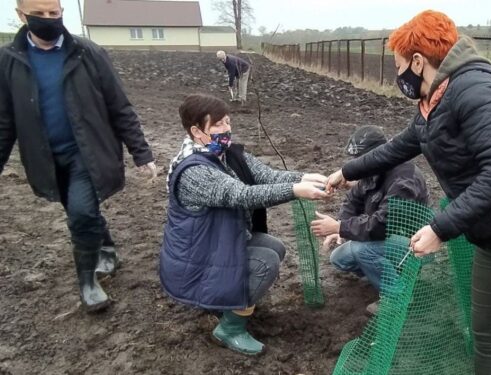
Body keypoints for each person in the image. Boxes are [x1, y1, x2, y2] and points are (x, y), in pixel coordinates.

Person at [327, 10, 491, 375]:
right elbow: (398, 147)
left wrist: (441, 230)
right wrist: (346, 172)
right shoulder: (433, 103)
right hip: (489, 239)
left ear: (417, 61)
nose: (398, 77)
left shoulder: (473, 87)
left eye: (398, 67)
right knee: (484, 337)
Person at [0, 0, 158, 312]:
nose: (48, 19)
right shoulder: (8, 60)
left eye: (53, 13)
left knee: (82, 212)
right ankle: (107, 247)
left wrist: (141, 153)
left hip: (88, 152)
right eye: (39, 14)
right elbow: (5, 119)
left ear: (61, 13)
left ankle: (88, 283)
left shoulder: (88, 53)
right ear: (21, 16)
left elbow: (119, 106)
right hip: (44, 157)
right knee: (78, 211)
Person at [159, 94, 329, 356]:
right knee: (265, 262)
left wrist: (307, 177)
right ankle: (229, 329)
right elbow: (240, 194)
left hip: (217, 242)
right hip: (197, 258)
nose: (226, 128)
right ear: (196, 131)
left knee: (275, 247)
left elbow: (266, 176)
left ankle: (225, 301)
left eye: (227, 121)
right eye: (217, 124)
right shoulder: (194, 171)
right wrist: (296, 190)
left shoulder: (226, 154)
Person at [310, 126, 429, 314]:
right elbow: (353, 200)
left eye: (361, 159)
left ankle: (398, 296)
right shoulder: (372, 172)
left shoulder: (404, 181)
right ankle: (386, 274)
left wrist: (340, 227)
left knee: (361, 249)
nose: (357, 165)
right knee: (339, 259)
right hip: (385, 240)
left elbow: (381, 226)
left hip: (413, 246)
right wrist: (340, 225)